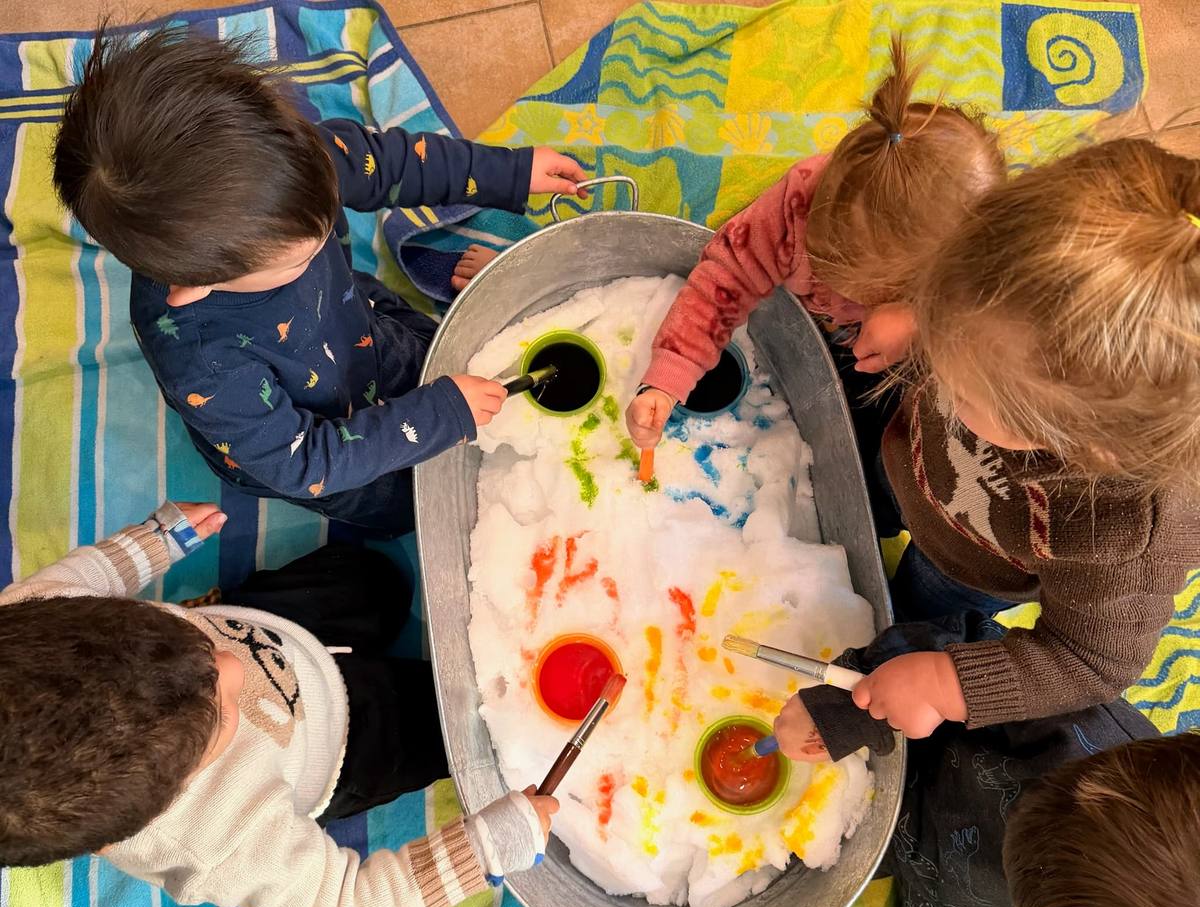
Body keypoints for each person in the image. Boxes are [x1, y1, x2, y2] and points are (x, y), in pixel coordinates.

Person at [52, 26, 588, 534]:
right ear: (197, 283)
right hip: (314, 438)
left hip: (358, 324)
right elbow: (308, 462)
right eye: (297, 259)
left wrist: (508, 173)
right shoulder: (204, 361)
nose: (327, 233)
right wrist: (440, 414)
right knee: (402, 498)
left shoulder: (287, 162)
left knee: (436, 358)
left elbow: (388, 162)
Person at [0, 503, 559, 907]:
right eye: (222, 711)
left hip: (274, 628)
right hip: (344, 743)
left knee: (378, 579)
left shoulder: (32, 614)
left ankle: (230, 624)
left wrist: (156, 541)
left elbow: (91, 572)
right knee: (464, 723)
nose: (229, 666)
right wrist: (485, 846)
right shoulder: (217, 838)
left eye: (195, 648)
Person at [845, 136, 1200, 739]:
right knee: (872, 487)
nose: (941, 381)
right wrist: (923, 318)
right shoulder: (1031, 279)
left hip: (968, 561)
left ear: (1087, 446)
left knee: (913, 608)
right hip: (911, 459)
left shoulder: (1122, 539)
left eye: (967, 393)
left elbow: (1091, 661)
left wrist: (942, 682)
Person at [772, 615, 1200, 907]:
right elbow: (961, 635)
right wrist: (849, 707)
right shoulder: (1076, 718)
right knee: (782, 863)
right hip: (932, 777)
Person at [627, 36, 1004, 440]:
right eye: (821, 262)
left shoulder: (980, 259)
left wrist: (918, 323)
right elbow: (725, 279)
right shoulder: (797, 207)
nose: (826, 278)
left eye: (871, 291)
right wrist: (666, 381)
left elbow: (995, 325)